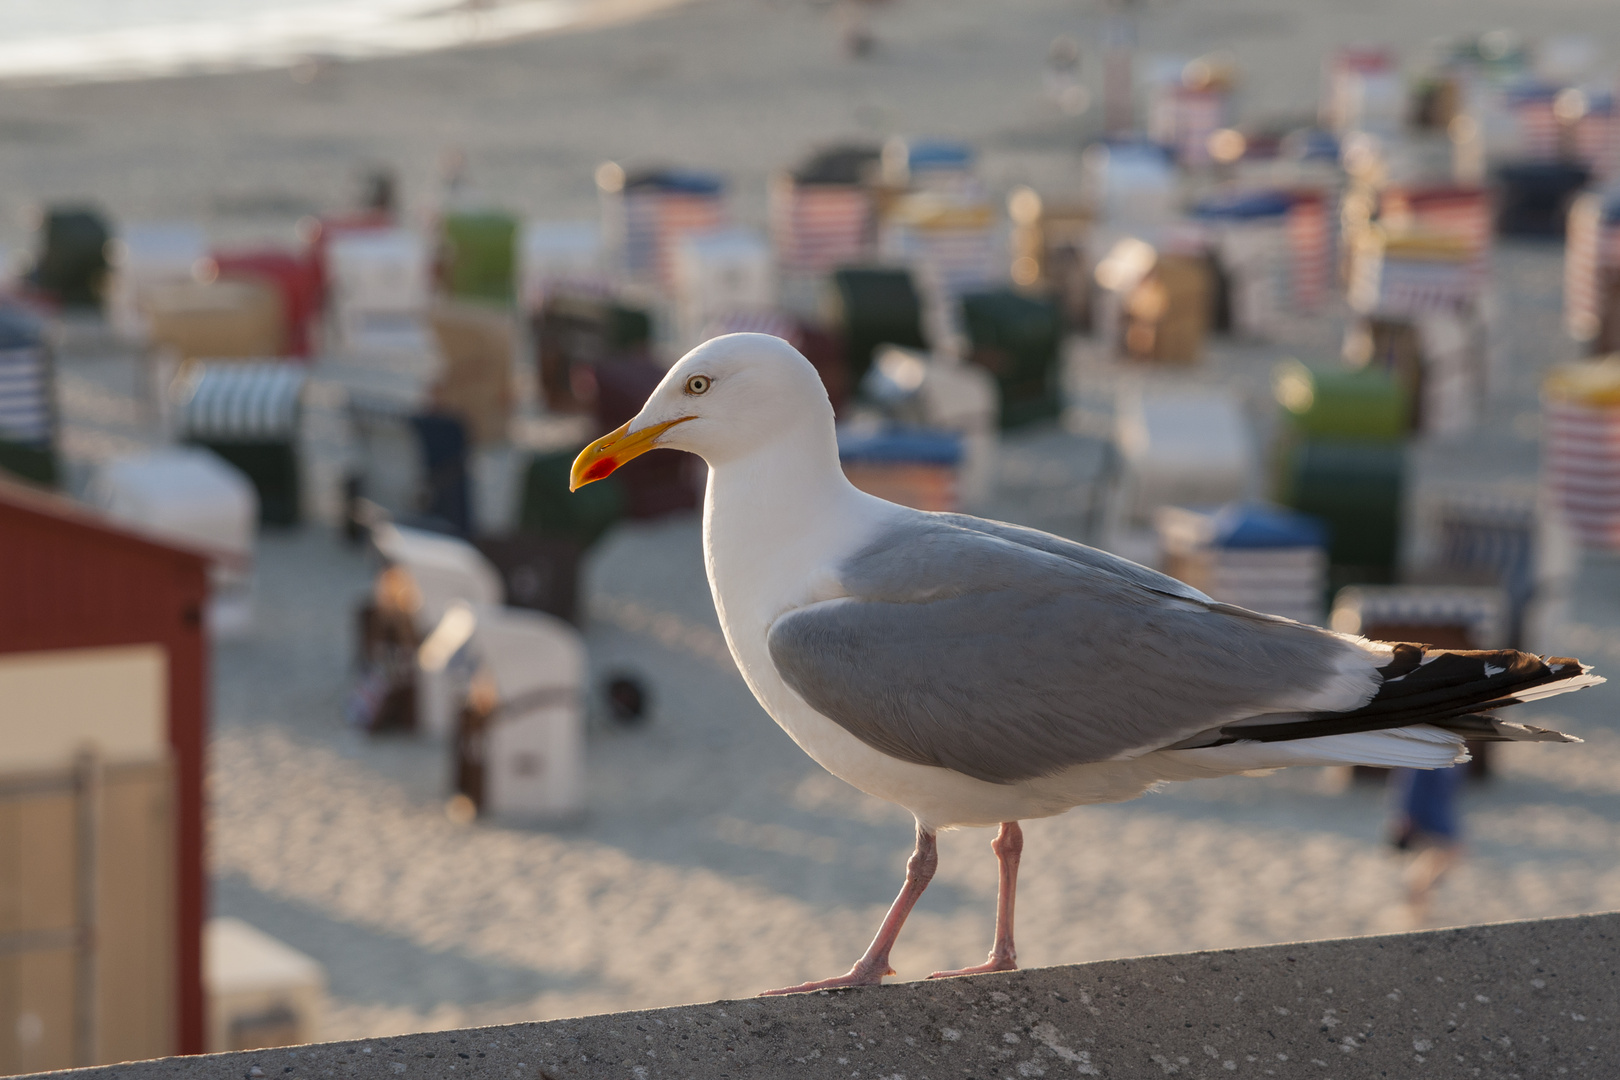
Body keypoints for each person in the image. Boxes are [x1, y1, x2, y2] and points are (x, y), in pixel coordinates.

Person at [1389, 764, 1467, 922]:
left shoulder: (1448, 757)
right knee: (1446, 856)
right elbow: (1410, 788)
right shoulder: (1424, 760)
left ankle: (1417, 900)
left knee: (1436, 861)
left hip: (1440, 815)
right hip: (1430, 818)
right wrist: (1407, 818)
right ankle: (1415, 898)